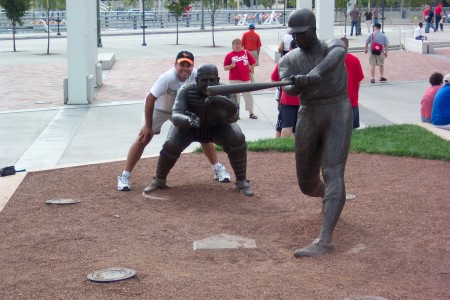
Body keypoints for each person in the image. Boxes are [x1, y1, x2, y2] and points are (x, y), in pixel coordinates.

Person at [278, 8, 353, 257]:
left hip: (337, 109)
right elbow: (287, 88)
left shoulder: (330, 44)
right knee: (307, 184)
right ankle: (333, 198)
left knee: (333, 170)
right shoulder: (288, 60)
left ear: (313, 30)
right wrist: (295, 84)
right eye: (294, 35)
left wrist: (314, 74)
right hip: (308, 113)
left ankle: (325, 240)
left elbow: (339, 52)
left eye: (302, 33)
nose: (297, 38)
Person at [117, 51, 231, 191]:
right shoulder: (167, 78)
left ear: (192, 66)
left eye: (188, 65)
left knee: (203, 133)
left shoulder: (197, 76)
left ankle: (217, 168)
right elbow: (150, 99)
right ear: (175, 65)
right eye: (181, 64)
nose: (185, 68)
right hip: (160, 109)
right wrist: (148, 125)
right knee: (144, 137)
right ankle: (125, 175)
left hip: (181, 110)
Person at [142, 64, 255, 197]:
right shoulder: (186, 90)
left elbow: (234, 117)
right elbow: (176, 115)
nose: (208, 83)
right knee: (171, 144)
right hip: (190, 127)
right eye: (204, 80)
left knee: (237, 138)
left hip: (217, 127)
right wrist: (187, 120)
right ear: (196, 80)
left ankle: (242, 181)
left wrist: (224, 109)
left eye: (212, 80)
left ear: (217, 80)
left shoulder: (226, 90)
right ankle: (159, 180)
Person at [271, 39, 300, 138]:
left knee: (287, 126)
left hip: (287, 98)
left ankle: (284, 149)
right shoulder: (307, 59)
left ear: (290, 48)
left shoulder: (284, 60)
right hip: (304, 98)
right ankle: (295, 150)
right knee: (300, 128)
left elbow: (274, 79)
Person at [224, 38, 258, 119]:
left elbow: (253, 62)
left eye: (239, 44)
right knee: (235, 97)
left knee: (248, 96)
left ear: (241, 46)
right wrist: (231, 66)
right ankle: (236, 113)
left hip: (245, 78)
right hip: (234, 79)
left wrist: (252, 69)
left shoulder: (246, 53)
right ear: (232, 46)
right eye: (235, 44)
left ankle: (251, 113)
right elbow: (225, 67)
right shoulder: (229, 55)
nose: (237, 46)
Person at [342, 37, 364, 129]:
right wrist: (355, 90)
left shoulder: (335, 61)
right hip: (352, 96)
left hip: (338, 99)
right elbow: (359, 79)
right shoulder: (355, 60)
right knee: (352, 127)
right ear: (348, 46)